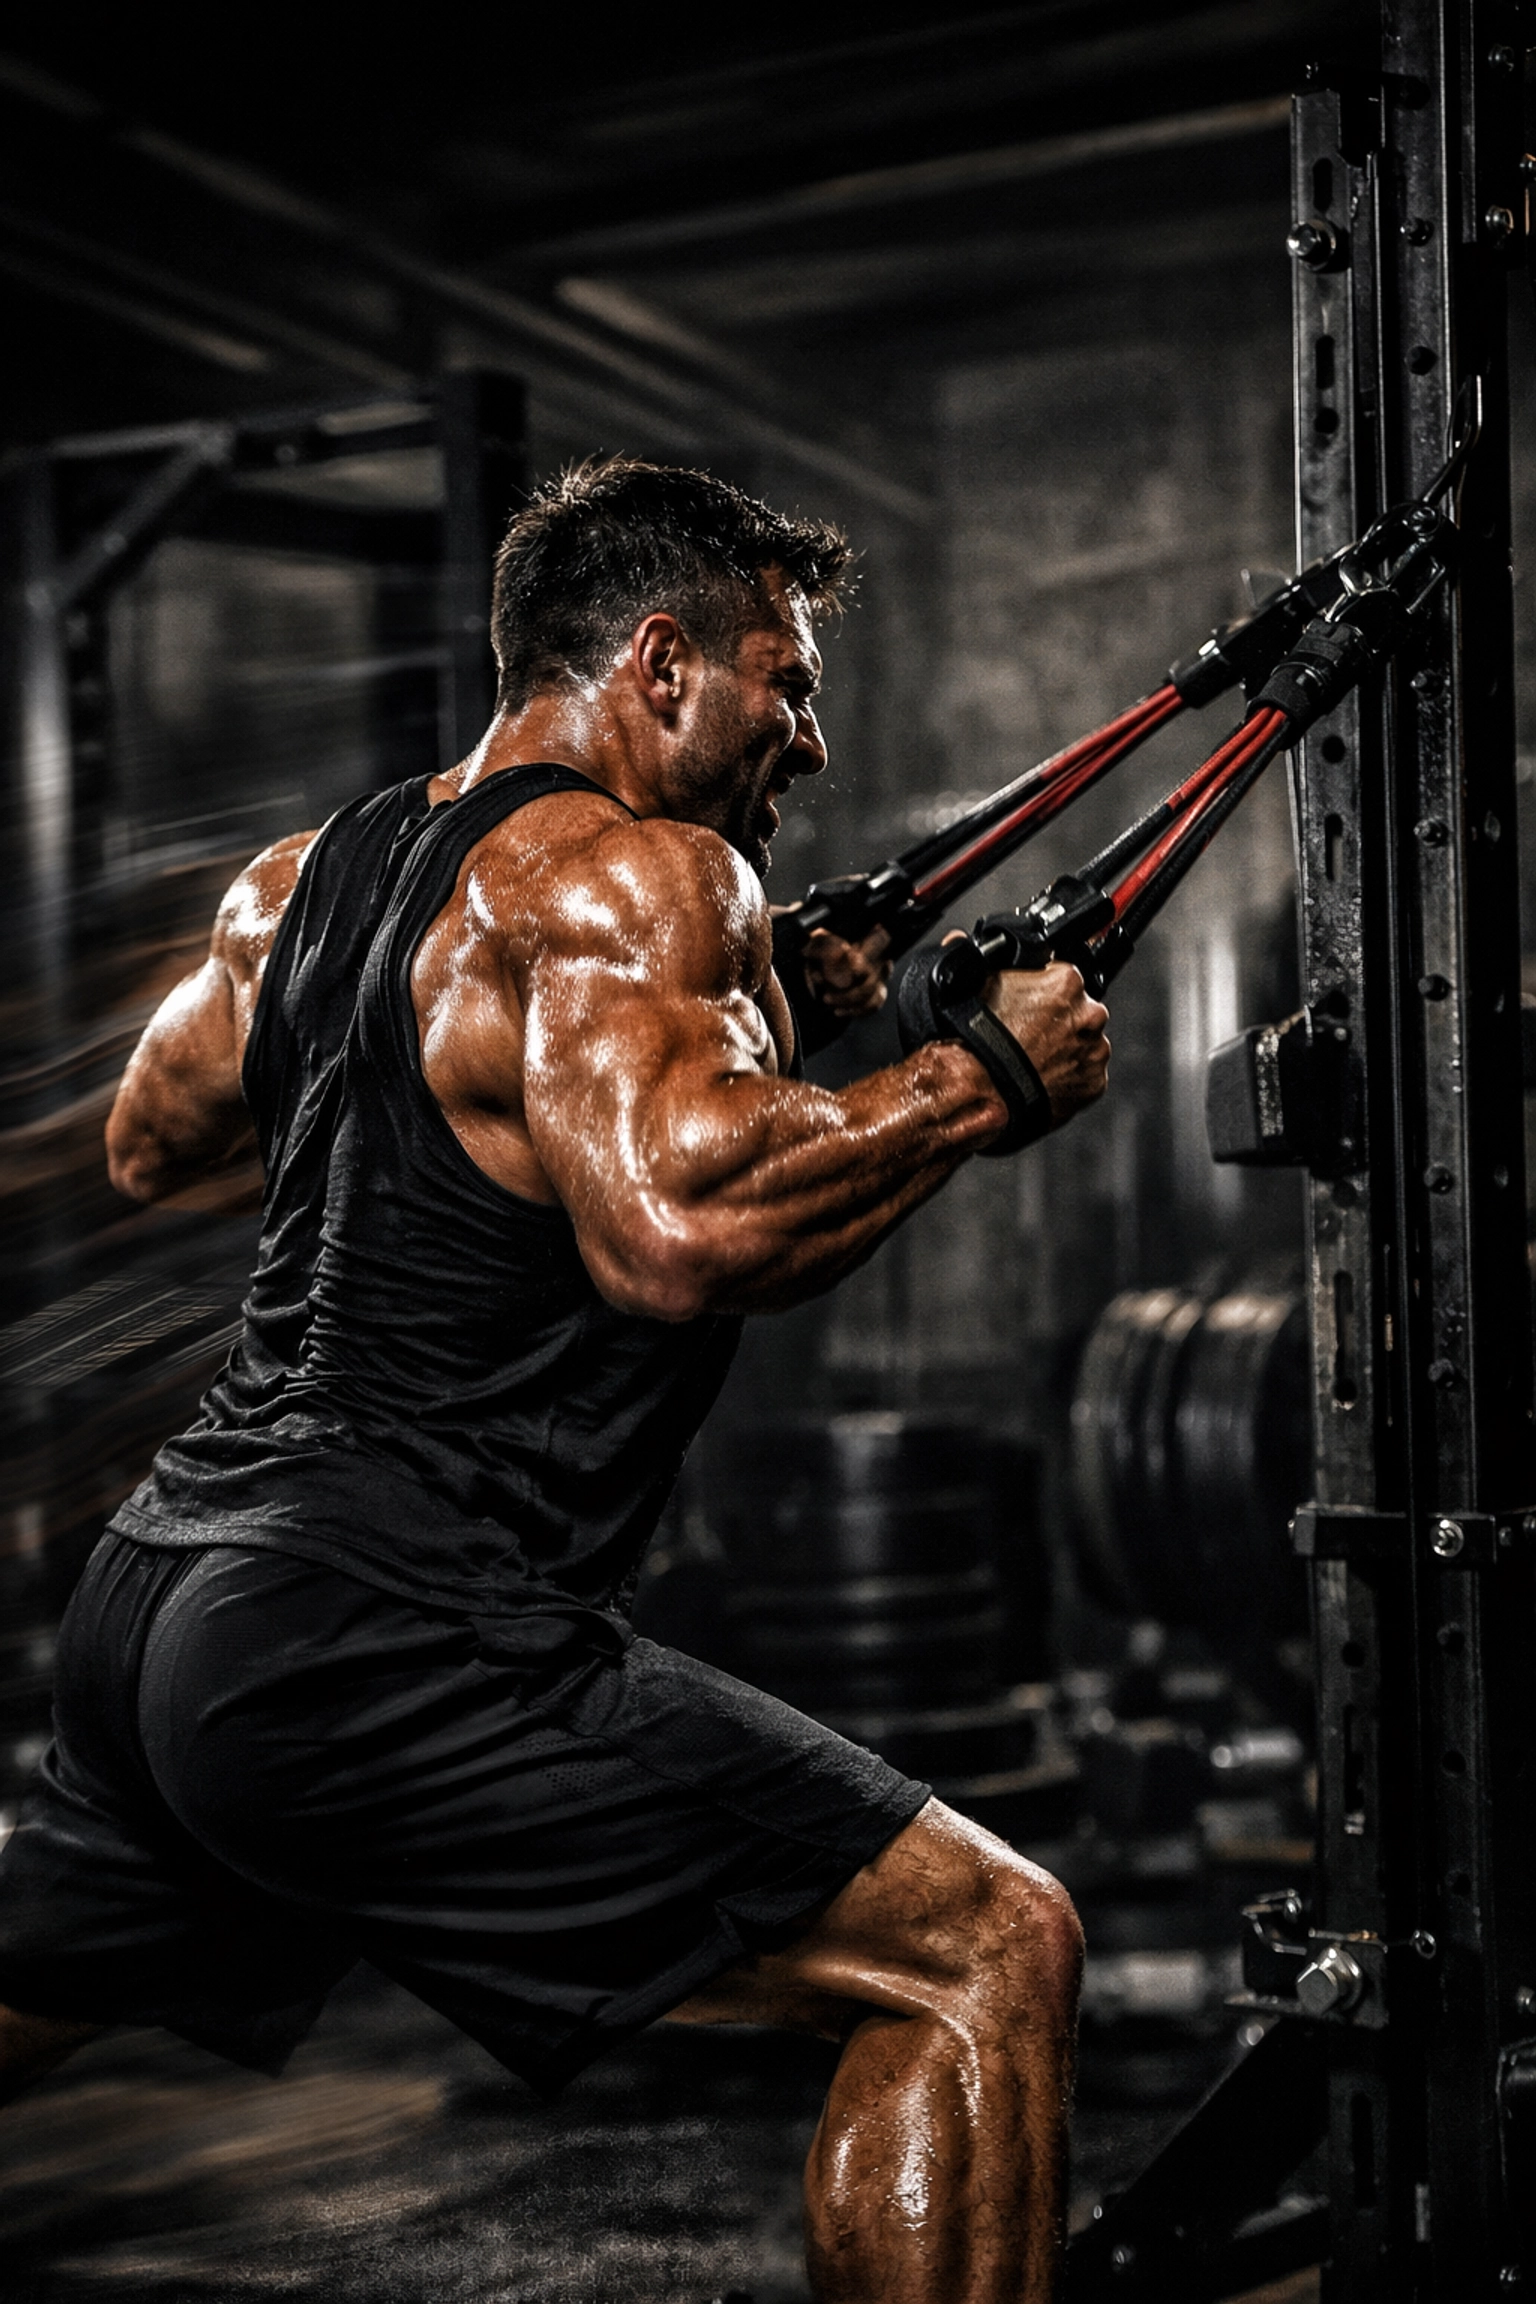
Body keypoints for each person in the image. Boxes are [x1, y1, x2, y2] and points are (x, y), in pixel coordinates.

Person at [0, 459, 1109, 2303]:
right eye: (789, 678)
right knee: (986, 1950)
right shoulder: (646, 873)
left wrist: (745, 1029)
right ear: (665, 663)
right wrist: (970, 1081)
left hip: (163, 1602)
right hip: (382, 1628)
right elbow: (674, 1238)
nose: (810, 742)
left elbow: (151, 1140)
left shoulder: (303, 884)